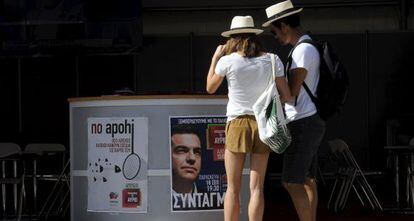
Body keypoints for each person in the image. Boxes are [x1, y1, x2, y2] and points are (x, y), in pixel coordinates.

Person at [206, 15, 291, 221]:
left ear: (232, 38)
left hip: (237, 123)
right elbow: (287, 95)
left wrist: (214, 58)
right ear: (255, 36)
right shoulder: (272, 60)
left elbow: (210, 88)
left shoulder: (227, 61)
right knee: (257, 188)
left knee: (233, 188)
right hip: (263, 124)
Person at [262, 1, 326, 221]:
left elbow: (292, 92)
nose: (276, 37)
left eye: (274, 32)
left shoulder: (303, 50)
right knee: (307, 179)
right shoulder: (305, 48)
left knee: (291, 181)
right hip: (308, 121)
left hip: (302, 122)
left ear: (285, 26)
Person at [171, 125, 202, 194]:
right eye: (182, 150)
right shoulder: (157, 194)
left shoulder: (219, 201)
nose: (192, 158)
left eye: (197, 152)